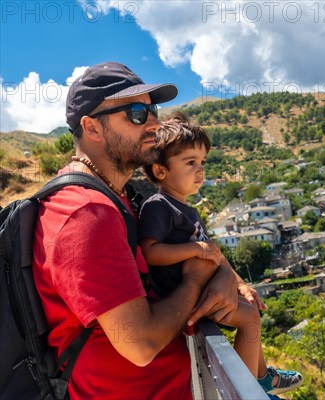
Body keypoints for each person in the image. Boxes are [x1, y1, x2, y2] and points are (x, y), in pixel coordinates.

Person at [32, 62, 241, 400]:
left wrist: (224, 276)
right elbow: (139, 344)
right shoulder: (86, 212)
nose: (154, 123)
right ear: (92, 128)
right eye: (136, 112)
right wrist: (194, 279)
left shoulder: (119, 200)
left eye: (153, 109)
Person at [138, 112, 303, 396]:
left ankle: (262, 376)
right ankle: (251, 389)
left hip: (203, 292)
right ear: (160, 171)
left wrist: (240, 284)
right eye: (190, 163)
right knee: (249, 319)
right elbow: (150, 252)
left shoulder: (186, 210)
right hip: (186, 299)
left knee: (252, 309)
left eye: (202, 162)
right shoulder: (158, 206)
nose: (200, 170)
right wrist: (193, 249)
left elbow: (214, 254)